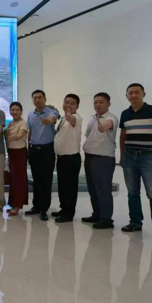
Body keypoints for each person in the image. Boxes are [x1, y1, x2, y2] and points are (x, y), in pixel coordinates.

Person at [119, 83, 152, 244]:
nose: (134, 95)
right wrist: (122, 155)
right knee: (132, 193)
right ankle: (135, 223)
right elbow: (123, 135)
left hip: (148, 157)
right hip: (129, 157)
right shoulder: (125, 114)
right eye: (131, 93)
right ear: (126, 96)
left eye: (137, 92)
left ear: (144, 94)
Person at [82, 92, 118, 229]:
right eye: (95, 102)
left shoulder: (111, 118)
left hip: (103, 158)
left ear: (109, 104)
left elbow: (107, 125)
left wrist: (103, 127)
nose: (97, 104)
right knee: (93, 189)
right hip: (90, 157)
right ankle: (97, 214)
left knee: (103, 189)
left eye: (101, 102)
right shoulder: (93, 118)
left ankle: (106, 219)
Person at [26, 90, 59, 221]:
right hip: (34, 150)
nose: (37, 100)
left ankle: (44, 209)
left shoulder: (52, 112)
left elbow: (53, 119)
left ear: (45, 99)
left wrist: (47, 121)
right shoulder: (31, 114)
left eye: (40, 97)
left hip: (47, 150)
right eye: (35, 98)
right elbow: (30, 132)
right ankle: (36, 206)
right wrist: (28, 148)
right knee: (36, 179)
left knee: (46, 180)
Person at [52, 94, 83, 223]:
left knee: (70, 188)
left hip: (71, 158)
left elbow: (73, 120)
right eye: (66, 102)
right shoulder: (63, 119)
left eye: (72, 103)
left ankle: (69, 213)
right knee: (62, 186)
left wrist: (69, 115)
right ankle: (63, 209)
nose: (68, 105)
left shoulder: (76, 117)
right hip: (61, 158)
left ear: (77, 106)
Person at [4, 102, 28, 216]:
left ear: (21, 111)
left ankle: (17, 205)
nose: (15, 112)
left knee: (19, 180)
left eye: (17, 110)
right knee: (13, 180)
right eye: (12, 110)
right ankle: (13, 204)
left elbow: (19, 136)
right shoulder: (10, 123)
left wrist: (8, 135)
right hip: (11, 153)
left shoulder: (23, 123)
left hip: (19, 153)